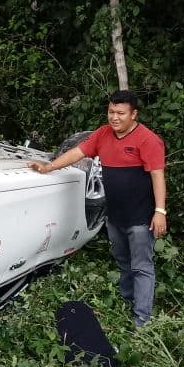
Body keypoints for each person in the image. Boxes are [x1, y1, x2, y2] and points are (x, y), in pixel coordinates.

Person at [27, 90, 167, 326]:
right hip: (114, 215)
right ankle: (127, 300)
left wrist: (160, 211)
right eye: (111, 112)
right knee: (123, 260)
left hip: (141, 217)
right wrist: (49, 167)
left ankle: (142, 320)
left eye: (121, 113)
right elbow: (77, 153)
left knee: (141, 266)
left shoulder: (148, 140)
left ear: (134, 114)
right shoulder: (103, 134)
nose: (114, 117)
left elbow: (157, 175)